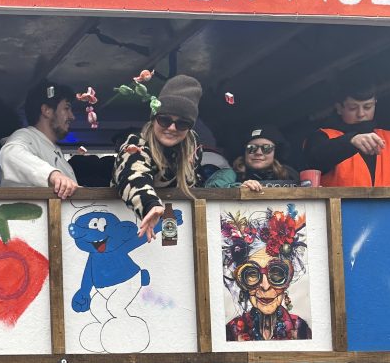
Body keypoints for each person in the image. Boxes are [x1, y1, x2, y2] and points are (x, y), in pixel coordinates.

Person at [298, 74, 390, 190]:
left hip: (384, 217)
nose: (361, 114)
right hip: (339, 217)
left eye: (367, 107)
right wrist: (350, 141)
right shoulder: (322, 137)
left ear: (375, 103)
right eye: (353, 108)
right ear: (339, 108)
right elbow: (316, 158)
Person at [113, 74, 203, 241]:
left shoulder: (193, 149)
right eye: (164, 120)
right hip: (127, 226)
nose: (172, 128)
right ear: (154, 119)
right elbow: (133, 175)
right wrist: (150, 205)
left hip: (178, 231)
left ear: (189, 128)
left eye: (182, 123)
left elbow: (196, 183)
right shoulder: (136, 143)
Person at [222, 208, 311, 341]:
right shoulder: (232, 331)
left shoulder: (300, 329)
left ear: (288, 278)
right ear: (242, 282)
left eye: (276, 273)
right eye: (252, 274)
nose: (265, 286)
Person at [0, 81, 78, 199]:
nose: (72, 116)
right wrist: (53, 175)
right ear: (46, 110)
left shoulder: (54, 150)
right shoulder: (25, 136)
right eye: (66, 108)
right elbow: (10, 154)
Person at [204, 125, 300, 190]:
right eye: (252, 148)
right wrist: (239, 188)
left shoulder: (289, 173)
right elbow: (211, 189)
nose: (258, 152)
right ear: (244, 152)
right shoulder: (230, 174)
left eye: (266, 148)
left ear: (275, 152)